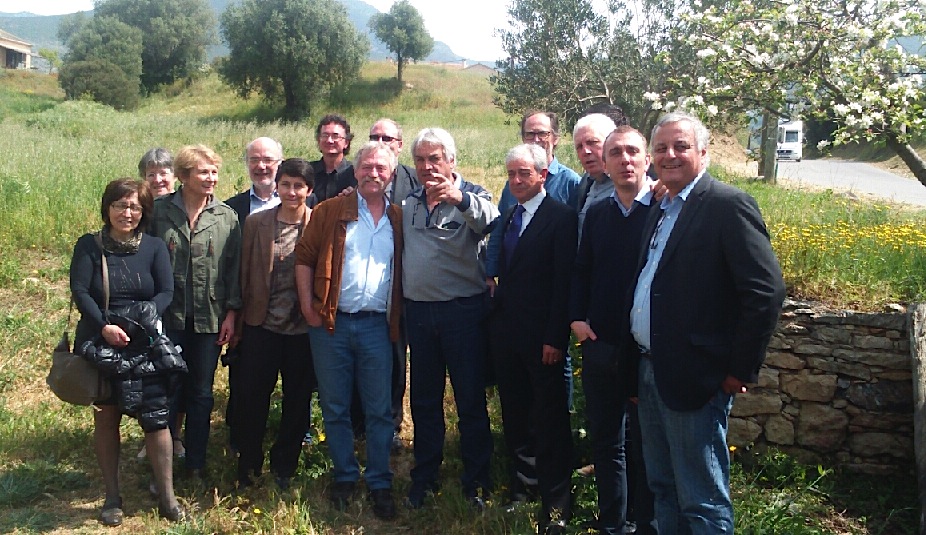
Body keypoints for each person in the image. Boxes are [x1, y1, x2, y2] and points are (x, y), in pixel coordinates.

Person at [627, 112, 785, 534]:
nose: (670, 155)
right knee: (663, 488)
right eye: (661, 148)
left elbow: (765, 292)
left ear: (703, 152)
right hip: (651, 369)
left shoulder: (726, 205)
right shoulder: (662, 205)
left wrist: (739, 369)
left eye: (681, 146)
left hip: (696, 376)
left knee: (702, 498)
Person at [295, 142, 403, 520]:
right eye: (367, 167)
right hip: (331, 323)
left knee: (378, 409)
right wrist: (308, 306)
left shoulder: (397, 218)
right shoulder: (329, 211)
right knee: (335, 405)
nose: (374, 173)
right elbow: (305, 258)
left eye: (381, 168)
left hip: (376, 325)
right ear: (355, 171)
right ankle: (344, 474)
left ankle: (379, 481)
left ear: (392, 173)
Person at [70, 178, 184, 525]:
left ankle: (167, 498)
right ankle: (112, 496)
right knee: (107, 416)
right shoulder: (89, 246)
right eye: (120, 205)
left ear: (144, 211)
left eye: (135, 206)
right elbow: (80, 290)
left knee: (157, 419)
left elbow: (165, 291)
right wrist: (104, 325)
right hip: (102, 340)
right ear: (107, 208)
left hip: (145, 341)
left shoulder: (153, 246)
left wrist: (146, 317)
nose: (127, 213)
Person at [403, 127, 498, 509]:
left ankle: (477, 480)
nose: (428, 167)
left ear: (452, 160)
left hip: (463, 313)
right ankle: (425, 475)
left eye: (436, 159)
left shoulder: (475, 195)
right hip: (419, 314)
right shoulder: (409, 201)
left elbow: (493, 222)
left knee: (470, 399)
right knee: (424, 400)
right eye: (421, 160)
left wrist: (459, 198)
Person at [570, 126, 657, 535]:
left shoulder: (663, 210)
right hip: (600, 342)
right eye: (615, 153)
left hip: (643, 349)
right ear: (604, 164)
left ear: (646, 159)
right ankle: (612, 522)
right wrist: (577, 318)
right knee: (607, 441)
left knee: (644, 444)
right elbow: (582, 270)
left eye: (632, 152)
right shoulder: (598, 214)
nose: (625, 160)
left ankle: (645, 521)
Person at [489, 144, 576, 534]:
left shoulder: (561, 218)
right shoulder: (510, 216)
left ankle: (557, 504)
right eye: (512, 174)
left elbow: (564, 284)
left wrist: (555, 337)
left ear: (543, 176)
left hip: (544, 340)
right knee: (516, 416)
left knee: (550, 420)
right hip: (509, 337)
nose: (517, 181)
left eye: (525, 173)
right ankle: (522, 489)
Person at [149, 144, 242, 481]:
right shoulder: (158, 212)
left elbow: (234, 271)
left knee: (201, 393)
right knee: (166, 390)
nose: (211, 178)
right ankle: (163, 464)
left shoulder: (226, 217)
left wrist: (232, 315)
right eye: (204, 172)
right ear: (184, 176)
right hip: (167, 318)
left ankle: (196, 465)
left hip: (209, 320)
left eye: (214, 172)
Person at [233, 158, 316, 490]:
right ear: (276, 186)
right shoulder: (256, 223)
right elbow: (242, 274)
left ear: (309, 190)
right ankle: (249, 462)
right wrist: (237, 321)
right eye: (285, 184)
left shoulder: (320, 222)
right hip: (261, 326)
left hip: (302, 330)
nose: (291, 192)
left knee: (297, 401)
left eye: (299, 186)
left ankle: (285, 466)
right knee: (253, 398)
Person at [223, 136, 283, 453]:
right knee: (244, 377)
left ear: (280, 163)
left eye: (268, 160)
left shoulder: (301, 202)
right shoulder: (232, 209)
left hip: (291, 311)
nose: (262, 166)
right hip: (250, 309)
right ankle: (239, 436)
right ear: (247, 165)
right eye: (255, 160)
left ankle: (301, 436)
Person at [368, 117, 419, 451]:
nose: (382, 141)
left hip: (408, 286)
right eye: (375, 136)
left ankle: (394, 424)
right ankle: (370, 423)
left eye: (389, 137)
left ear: (400, 144)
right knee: (374, 359)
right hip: (369, 290)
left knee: (398, 360)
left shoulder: (416, 182)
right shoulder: (356, 177)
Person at [486, 109, 581, 281]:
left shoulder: (571, 182)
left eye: (542, 133)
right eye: (530, 134)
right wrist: (490, 272)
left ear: (555, 138)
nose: (536, 140)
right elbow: (499, 229)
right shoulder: (513, 183)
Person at [574, 113, 619, 239]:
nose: (585, 151)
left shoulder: (634, 182)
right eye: (579, 147)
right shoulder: (585, 182)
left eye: (592, 142)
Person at [308, 114, 357, 207]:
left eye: (335, 136)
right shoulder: (308, 172)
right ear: (318, 140)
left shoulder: (355, 173)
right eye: (325, 135)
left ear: (346, 142)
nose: (329, 141)